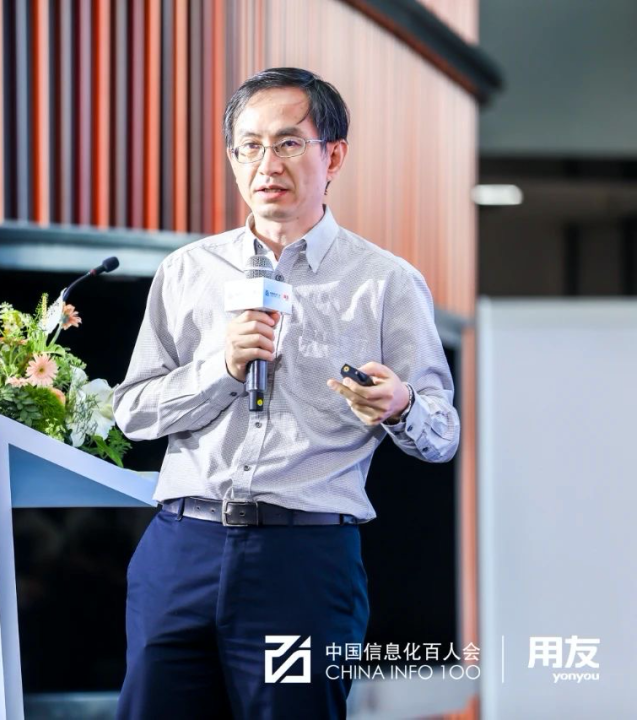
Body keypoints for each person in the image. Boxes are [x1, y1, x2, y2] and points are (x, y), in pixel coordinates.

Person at [112, 67, 460, 719]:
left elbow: (442, 435)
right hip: (181, 547)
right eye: (249, 146)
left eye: (289, 143)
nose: (266, 163)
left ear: (334, 156)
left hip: (303, 559)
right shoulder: (188, 270)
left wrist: (402, 406)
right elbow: (133, 410)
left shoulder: (384, 282)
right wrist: (222, 366)